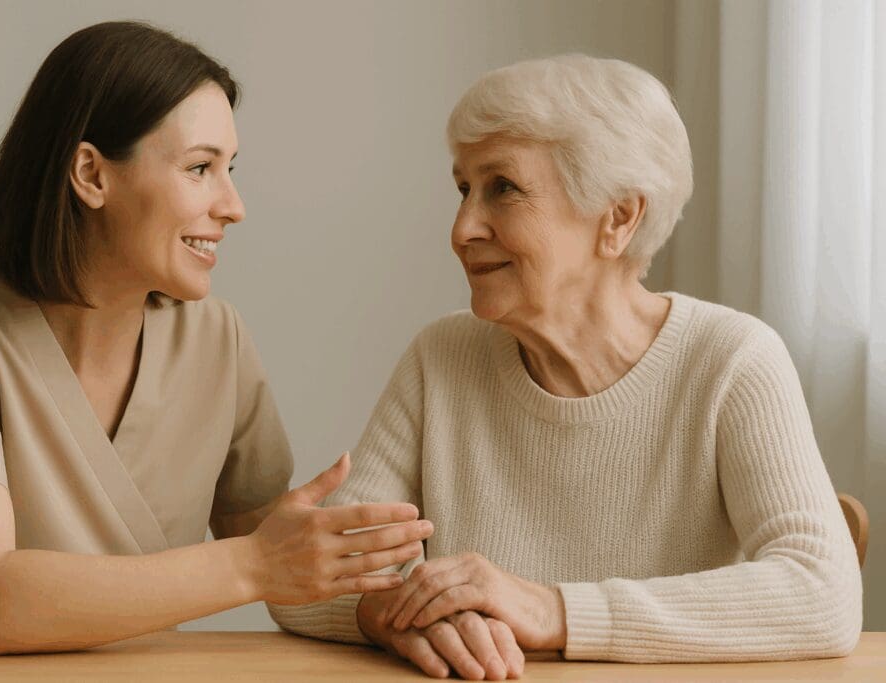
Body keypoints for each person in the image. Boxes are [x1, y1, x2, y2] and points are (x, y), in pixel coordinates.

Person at [269, 54, 863, 679]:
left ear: (618, 217)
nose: (462, 227)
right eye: (463, 189)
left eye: (503, 188)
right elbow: (303, 577)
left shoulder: (730, 361)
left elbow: (822, 594)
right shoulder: (441, 358)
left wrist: (554, 610)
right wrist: (395, 611)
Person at [0, 21, 432, 655]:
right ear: (91, 175)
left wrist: (401, 609)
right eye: (200, 169)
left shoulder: (217, 340)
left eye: (230, 169)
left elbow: (281, 555)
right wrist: (250, 566)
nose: (234, 204)